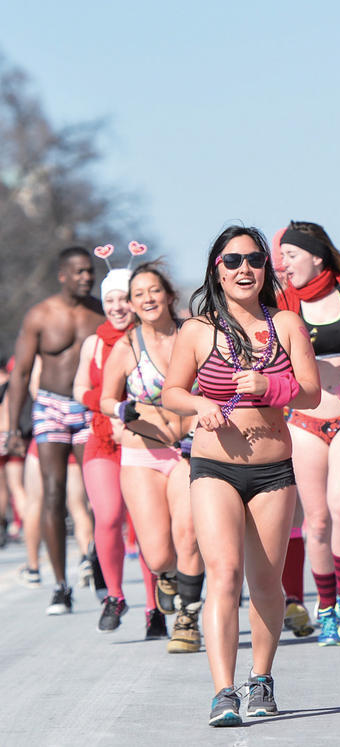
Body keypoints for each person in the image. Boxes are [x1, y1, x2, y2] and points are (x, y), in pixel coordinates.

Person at [162, 226, 319, 726]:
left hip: (274, 469)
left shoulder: (287, 324)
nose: (244, 269)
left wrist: (270, 385)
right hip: (214, 467)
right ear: (217, 269)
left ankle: (262, 678)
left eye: (253, 260)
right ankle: (223, 691)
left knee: (267, 583)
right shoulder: (196, 330)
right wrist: (200, 404)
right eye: (232, 261)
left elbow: (311, 393)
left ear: (264, 268)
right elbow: (171, 393)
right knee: (224, 575)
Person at [277, 221, 340, 646]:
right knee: (315, 521)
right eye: (281, 256)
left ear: (316, 254)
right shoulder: (282, 303)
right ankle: (327, 607)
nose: (283, 264)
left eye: (290, 254)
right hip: (304, 421)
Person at [101, 261, 204, 651]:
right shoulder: (127, 346)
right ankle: (166, 576)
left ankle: (187, 618)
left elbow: (215, 383)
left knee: (189, 534)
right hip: (142, 452)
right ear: (131, 302)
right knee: (158, 551)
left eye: (153, 291)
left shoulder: (192, 335)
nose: (147, 299)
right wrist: (119, 410)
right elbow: (107, 397)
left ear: (169, 295)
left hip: (187, 451)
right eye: (139, 294)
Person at [5, 247, 104, 615]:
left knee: (97, 493)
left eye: (89, 271)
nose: (86, 277)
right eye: (78, 272)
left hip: (90, 407)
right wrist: (15, 426)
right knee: (52, 492)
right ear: (62, 274)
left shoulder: (101, 312)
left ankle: (94, 561)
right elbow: (20, 373)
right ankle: (61, 586)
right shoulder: (41, 315)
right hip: (50, 408)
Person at [74, 259, 167, 636]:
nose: (116, 307)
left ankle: (154, 607)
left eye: (122, 299)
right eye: (109, 300)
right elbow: (80, 390)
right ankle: (114, 595)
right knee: (109, 516)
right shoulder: (94, 344)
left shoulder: (150, 339)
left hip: (146, 439)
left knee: (146, 525)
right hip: (102, 441)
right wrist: (111, 407)